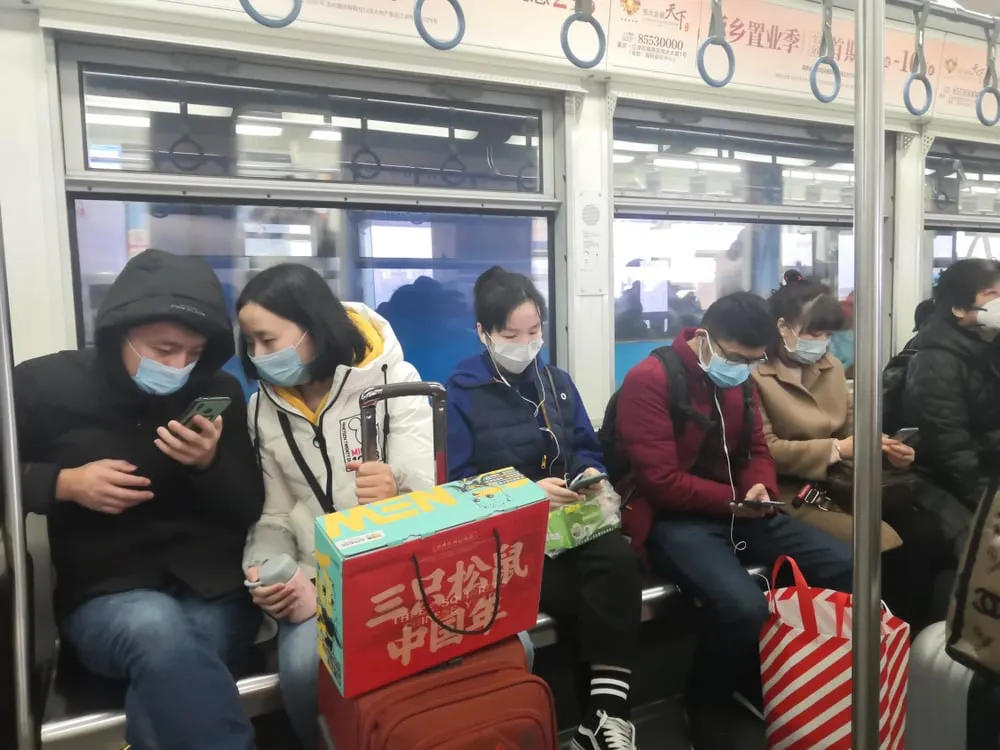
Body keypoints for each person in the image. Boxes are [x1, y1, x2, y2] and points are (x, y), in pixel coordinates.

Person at [14, 249, 263, 750]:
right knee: (158, 632)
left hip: (212, 591)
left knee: (175, 671)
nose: (178, 366)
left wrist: (208, 466)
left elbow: (247, 509)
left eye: (193, 354)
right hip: (105, 594)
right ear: (118, 333)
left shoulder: (217, 392)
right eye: (164, 349)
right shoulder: (42, 386)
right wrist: (62, 483)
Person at [615, 291, 853, 750]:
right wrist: (733, 501)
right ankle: (706, 699)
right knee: (741, 605)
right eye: (736, 357)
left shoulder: (738, 378)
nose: (742, 368)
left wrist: (759, 487)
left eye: (752, 360)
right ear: (704, 339)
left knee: (842, 565)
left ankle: (780, 673)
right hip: (675, 519)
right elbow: (660, 481)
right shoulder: (649, 380)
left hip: (742, 507)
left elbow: (755, 449)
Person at [237, 263, 436, 750]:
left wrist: (395, 497)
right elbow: (277, 514)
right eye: (251, 343)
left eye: (268, 340)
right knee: (306, 669)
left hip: (399, 567)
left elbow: (429, 500)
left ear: (311, 327)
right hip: (315, 577)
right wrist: (265, 570)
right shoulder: (263, 408)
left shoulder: (396, 383)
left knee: (512, 644)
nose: (259, 356)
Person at [445, 267, 643, 750]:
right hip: (503, 541)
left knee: (619, 559)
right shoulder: (458, 395)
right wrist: (528, 491)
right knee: (590, 596)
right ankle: (599, 723)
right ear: (484, 333)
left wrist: (590, 475)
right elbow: (454, 486)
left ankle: (604, 717)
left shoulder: (555, 382)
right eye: (510, 335)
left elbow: (584, 447)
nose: (525, 344)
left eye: (534, 332)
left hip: (566, 527)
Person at [752, 272, 946, 630]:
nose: (822, 343)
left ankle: (903, 640)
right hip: (794, 490)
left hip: (842, 481)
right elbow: (766, 448)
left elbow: (854, 427)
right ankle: (870, 642)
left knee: (926, 534)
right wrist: (838, 449)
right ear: (782, 327)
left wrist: (886, 447)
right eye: (813, 333)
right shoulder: (754, 375)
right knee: (884, 545)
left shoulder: (831, 367)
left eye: (828, 334)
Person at [889, 259, 1000, 569]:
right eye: (990, 294)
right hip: (942, 478)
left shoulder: (988, 345)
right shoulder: (936, 360)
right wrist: (987, 502)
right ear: (959, 308)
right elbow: (949, 444)